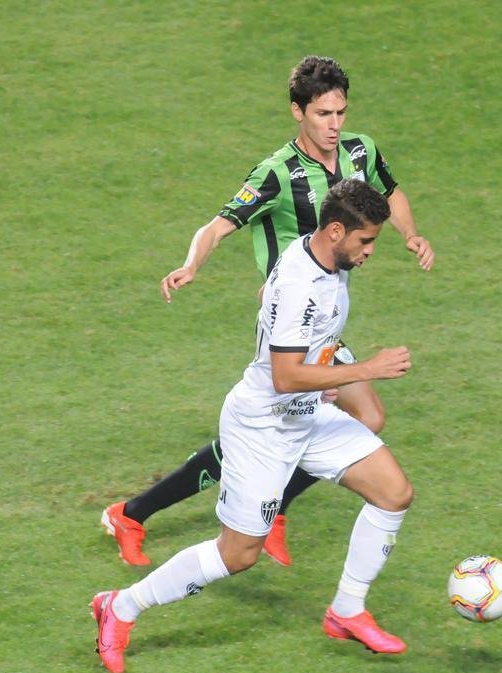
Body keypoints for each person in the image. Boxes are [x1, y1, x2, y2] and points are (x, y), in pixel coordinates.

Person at [101, 55, 434, 569]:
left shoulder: (361, 152)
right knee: (278, 426)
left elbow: (392, 193)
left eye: (341, 112)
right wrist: (191, 265)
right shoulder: (278, 172)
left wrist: (411, 235)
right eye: (323, 114)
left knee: (364, 416)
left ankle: (248, 507)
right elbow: (218, 225)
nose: (335, 124)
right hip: (289, 324)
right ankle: (136, 512)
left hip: (324, 319)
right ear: (297, 111)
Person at [92, 180, 414, 673]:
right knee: (238, 555)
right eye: (365, 241)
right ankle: (119, 607)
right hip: (263, 428)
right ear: (334, 231)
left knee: (394, 493)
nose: (370, 252)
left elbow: (272, 301)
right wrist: (363, 369)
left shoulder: (317, 254)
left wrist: (321, 369)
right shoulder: (302, 285)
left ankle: (346, 611)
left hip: (306, 416)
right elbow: (284, 377)